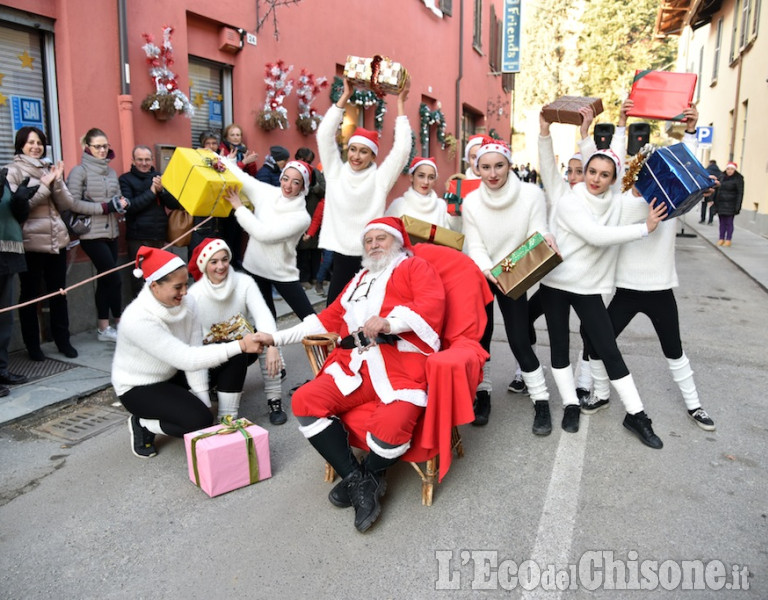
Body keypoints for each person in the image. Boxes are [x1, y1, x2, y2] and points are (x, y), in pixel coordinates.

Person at [253, 217, 445, 533]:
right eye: (368, 241)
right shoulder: (357, 281)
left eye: (380, 238)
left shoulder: (414, 268)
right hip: (355, 365)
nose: (373, 245)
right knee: (304, 401)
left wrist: (389, 322)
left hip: (400, 368)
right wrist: (274, 337)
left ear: (396, 241)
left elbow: (430, 304)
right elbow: (322, 322)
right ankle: (361, 481)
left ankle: (366, 475)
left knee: (391, 426)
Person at [591, 108, 715, 432]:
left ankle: (695, 406)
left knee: (674, 351)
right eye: (644, 167)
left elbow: (689, 167)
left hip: (660, 289)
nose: (651, 172)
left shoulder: (669, 200)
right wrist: (620, 124)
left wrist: (690, 130)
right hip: (626, 289)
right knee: (597, 343)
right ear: (635, 170)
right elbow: (613, 159)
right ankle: (600, 394)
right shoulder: (619, 199)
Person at [539, 149, 668, 445]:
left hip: (589, 287)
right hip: (556, 283)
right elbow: (595, 235)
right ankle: (571, 405)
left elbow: (646, 198)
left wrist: (693, 190)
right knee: (560, 347)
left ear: (613, 179)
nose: (596, 179)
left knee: (608, 348)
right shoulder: (570, 200)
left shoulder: (616, 203)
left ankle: (637, 414)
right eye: (592, 171)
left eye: (605, 174)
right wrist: (643, 230)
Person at [112, 246, 264, 458]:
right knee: (197, 420)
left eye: (186, 284)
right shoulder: (137, 319)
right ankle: (143, 424)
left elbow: (195, 350)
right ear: (154, 286)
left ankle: (226, 421)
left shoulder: (188, 302)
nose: (185, 292)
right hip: (139, 387)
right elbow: (188, 359)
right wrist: (241, 345)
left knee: (235, 357)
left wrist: (203, 399)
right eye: (177, 287)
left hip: (173, 371)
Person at [462, 137, 557, 432]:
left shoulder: (530, 194)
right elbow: (474, 245)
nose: (492, 173)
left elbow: (537, 228)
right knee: (482, 337)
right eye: (485, 167)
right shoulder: (471, 202)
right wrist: (488, 271)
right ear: (477, 168)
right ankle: (484, 394)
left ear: (509, 165)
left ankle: (541, 401)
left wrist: (545, 237)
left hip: (514, 269)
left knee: (518, 337)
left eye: (499, 166)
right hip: (483, 273)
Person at [6, 127, 115, 360]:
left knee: (59, 293)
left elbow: (66, 203)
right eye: (30, 142)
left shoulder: (48, 168)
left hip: (58, 240)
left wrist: (55, 182)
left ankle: (63, 341)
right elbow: (20, 207)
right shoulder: (12, 171)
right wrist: (45, 186)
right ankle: (33, 346)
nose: (35, 146)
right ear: (21, 145)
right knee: (30, 296)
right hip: (31, 243)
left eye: (39, 142)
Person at [316, 76, 412, 305]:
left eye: (363, 152)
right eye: (353, 149)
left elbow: (401, 151)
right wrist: (344, 98)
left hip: (369, 256)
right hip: (339, 255)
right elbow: (323, 136)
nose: (356, 156)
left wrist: (400, 105)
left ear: (372, 156)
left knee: (365, 312)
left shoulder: (380, 179)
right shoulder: (335, 172)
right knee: (334, 311)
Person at [187, 238, 286, 424]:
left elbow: (263, 315)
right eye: (214, 262)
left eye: (224, 259)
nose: (221, 266)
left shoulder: (244, 282)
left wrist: (272, 344)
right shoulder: (195, 295)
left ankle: (274, 400)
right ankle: (219, 402)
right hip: (213, 356)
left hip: (246, 349)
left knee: (265, 338)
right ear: (204, 265)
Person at [225, 159, 314, 321]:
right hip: (255, 267)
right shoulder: (267, 193)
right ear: (280, 177)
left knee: (310, 318)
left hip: (281, 272)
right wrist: (219, 159)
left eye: (295, 182)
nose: (288, 185)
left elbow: (264, 234)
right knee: (265, 319)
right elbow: (242, 178)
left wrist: (239, 208)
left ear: (303, 187)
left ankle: (328, 344)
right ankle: (274, 347)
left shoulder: (301, 217)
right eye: (285, 178)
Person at [66, 128, 129, 342]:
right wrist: (103, 207)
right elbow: (72, 202)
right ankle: (113, 325)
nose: (102, 150)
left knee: (105, 280)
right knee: (114, 278)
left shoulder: (110, 172)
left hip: (111, 231)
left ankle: (106, 327)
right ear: (88, 147)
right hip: (90, 234)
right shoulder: (79, 171)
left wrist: (121, 204)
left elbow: (117, 197)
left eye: (105, 146)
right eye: (98, 146)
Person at [119, 145, 182, 297]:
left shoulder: (159, 177)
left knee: (160, 276)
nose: (144, 163)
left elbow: (174, 204)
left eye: (147, 159)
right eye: (140, 159)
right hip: (138, 237)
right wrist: (152, 192)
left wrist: (162, 191)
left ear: (152, 160)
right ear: (133, 161)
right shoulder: (125, 179)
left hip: (159, 235)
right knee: (139, 279)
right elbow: (131, 206)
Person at [0, 167, 33, 393]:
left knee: (5, 319)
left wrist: (21, 200)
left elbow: (16, 216)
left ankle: (1, 370)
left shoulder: (3, 179)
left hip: (6, 255)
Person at [385, 156, 448, 228]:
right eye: (421, 176)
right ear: (411, 177)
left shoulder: (441, 206)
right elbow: (386, 232)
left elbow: (452, 234)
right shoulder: (399, 204)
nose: (426, 182)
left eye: (431, 177)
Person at [294, 147, 326, 290]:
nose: (307, 163)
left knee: (315, 249)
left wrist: (315, 187)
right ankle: (304, 278)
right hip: (299, 213)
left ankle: (315, 276)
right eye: (304, 160)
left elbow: (325, 190)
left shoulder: (316, 172)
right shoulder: (293, 170)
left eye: (309, 160)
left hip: (314, 213)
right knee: (302, 249)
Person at [713, 162, 744, 247]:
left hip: (731, 204)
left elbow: (740, 193)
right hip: (721, 203)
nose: (730, 171)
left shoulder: (738, 179)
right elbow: (716, 190)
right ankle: (721, 238)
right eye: (728, 169)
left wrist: (738, 206)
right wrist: (714, 201)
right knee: (721, 222)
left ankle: (728, 239)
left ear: (735, 170)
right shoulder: (721, 177)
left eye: (732, 169)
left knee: (729, 222)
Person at [700, 159, 721, 225]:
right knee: (712, 205)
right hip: (715, 191)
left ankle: (703, 219)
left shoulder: (706, 171)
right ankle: (710, 221)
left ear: (710, 163)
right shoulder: (720, 172)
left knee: (704, 205)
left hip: (707, 190)